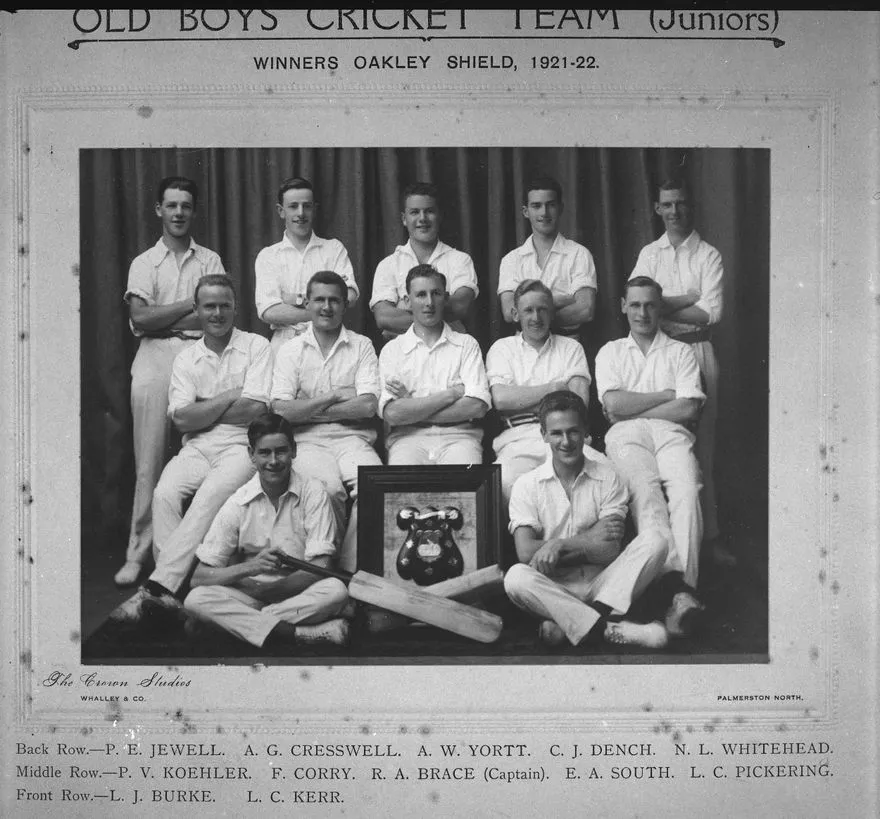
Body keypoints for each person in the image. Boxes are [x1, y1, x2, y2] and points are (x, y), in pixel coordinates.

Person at [110, 274, 272, 626]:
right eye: (209, 306)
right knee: (164, 494)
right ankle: (178, 592)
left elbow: (255, 410)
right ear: (197, 310)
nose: (217, 313)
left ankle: (161, 587)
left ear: (235, 308)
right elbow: (182, 420)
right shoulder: (185, 358)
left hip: (239, 445)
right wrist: (231, 395)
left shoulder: (256, 346)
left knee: (208, 496)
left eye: (224, 305)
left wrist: (204, 409)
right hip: (196, 446)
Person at [117, 176, 226, 587]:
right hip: (154, 356)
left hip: (201, 354)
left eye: (186, 205)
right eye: (172, 205)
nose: (179, 212)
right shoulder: (144, 263)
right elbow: (141, 319)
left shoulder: (210, 260)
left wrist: (178, 312)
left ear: (193, 211)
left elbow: (213, 316)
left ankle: (200, 555)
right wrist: (189, 305)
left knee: (207, 452)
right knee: (148, 462)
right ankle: (138, 553)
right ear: (159, 210)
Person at [504, 391, 669, 649]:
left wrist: (556, 546)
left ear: (586, 432)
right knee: (515, 577)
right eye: (556, 433)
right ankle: (605, 628)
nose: (566, 441)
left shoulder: (609, 476)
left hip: (602, 585)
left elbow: (609, 549)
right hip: (552, 588)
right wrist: (588, 541)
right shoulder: (526, 485)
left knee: (655, 540)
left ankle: (571, 622)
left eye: (573, 431)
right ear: (544, 435)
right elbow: (525, 553)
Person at [594, 276, 706, 636]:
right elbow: (613, 404)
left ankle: (682, 594)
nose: (642, 312)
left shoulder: (680, 352)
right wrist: (665, 394)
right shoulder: (610, 351)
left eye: (650, 304)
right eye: (636, 304)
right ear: (624, 306)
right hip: (626, 436)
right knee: (645, 490)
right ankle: (672, 594)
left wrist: (636, 407)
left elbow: (688, 409)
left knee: (687, 493)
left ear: (660, 308)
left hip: (672, 433)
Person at [183, 414, 350, 650]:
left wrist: (267, 592)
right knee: (195, 599)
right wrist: (250, 567)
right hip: (254, 598)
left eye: (281, 451)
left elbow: (322, 567)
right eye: (264, 453)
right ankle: (298, 634)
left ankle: (239, 626)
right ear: (251, 455)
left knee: (336, 591)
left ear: (293, 451)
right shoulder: (238, 502)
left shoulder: (314, 492)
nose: (273, 461)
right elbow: (199, 577)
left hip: (297, 594)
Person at [629, 179, 727, 563]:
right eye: (667, 205)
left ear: (691, 206)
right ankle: (662, 542)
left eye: (680, 203)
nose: (674, 211)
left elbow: (711, 312)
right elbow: (638, 296)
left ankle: (710, 539)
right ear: (657, 208)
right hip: (660, 352)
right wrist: (685, 298)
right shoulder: (649, 253)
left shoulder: (708, 255)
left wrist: (661, 304)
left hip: (698, 348)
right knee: (663, 443)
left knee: (704, 447)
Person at [271, 270, 382, 571]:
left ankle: (348, 569)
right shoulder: (290, 350)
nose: (326, 307)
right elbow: (281, 412)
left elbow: (368, 406)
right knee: (329, 489)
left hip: (353, 439)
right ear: (307, 304)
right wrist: (334, 396)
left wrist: (305, 406)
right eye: (319, 299)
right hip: (307, 440)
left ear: (345, 305)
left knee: (376, 483)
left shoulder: (362, 346)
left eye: (334, 300)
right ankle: (328, 568)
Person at [486, 279, 604, 502]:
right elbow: (502, 400)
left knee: (606, 474)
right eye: (528, 310)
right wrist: (556, 388)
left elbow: (578, 403)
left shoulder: (571, 348)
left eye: (542, 310)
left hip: (566, 438)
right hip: (518, 440)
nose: (536, 318)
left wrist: (524, 398)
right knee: (503, 483)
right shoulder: (502, 349)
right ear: (515, 314)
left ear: (552, 313)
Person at [378, 264, 490, 465]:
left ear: (445, 298)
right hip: (407, 440)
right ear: (407, 301)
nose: (429, 302)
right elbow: (393, 414)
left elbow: (476, 407)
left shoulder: (466, 344)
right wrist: (452, 394)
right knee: (402, 490)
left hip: (460, 438)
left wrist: (412, 405)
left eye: (436, 293)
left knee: (466, 487)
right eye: (421, 295)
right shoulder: (392, 350)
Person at [254, 176, 359, 351]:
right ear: (281, 211)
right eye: (293, 206)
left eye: (307, 206)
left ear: (314, 209)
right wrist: (324, 309)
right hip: (284, 344)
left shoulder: (333, 248)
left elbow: (349, 296)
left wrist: (295, 299)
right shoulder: (268, 256)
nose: (301, 213)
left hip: (329, 339)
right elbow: (269, 312)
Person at [370, 181, 478, 338]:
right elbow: (383, 317)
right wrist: (439, 312)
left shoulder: (459, 259)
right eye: (414, 212)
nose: (422, 219)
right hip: (405, 356)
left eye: (429, 211)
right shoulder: (388, 264)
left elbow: (460, 306)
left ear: (439, 216)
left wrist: (403, 310)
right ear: (404, 219)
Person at [498, 176, 596, 336]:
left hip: (567, 345)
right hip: (522, 349)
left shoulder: (579, 254)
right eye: (536, 206)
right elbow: (509, 313)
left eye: (550, 205)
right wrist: (563, 300)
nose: (544, 212)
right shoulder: (511, 260)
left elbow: (586, 309)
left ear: (560, 208)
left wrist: (529, 309)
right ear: (525, 212)